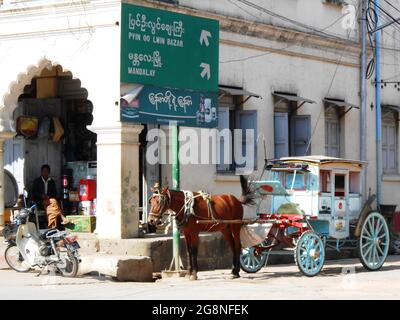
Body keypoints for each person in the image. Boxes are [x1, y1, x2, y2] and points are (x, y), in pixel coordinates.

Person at [31, 164, 69, 228]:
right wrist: (41, 196)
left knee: (51, 209)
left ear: (49, 172)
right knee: (53, 201)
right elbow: (33, 193)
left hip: (49, 201)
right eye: (44, 171)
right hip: (40, 201)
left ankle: (52, 227)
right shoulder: (37, 181)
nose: (45, 173)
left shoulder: (51, 182)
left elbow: (55, 193)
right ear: (41, 172)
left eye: (47, 171)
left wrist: (48, 196)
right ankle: (62, 217)